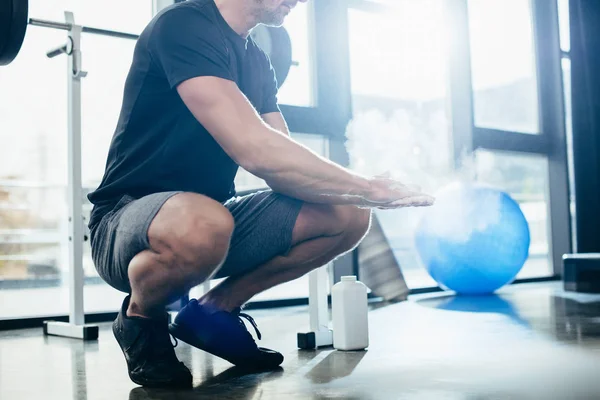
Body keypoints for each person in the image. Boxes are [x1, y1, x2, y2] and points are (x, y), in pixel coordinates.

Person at [87, 0, 434, 389]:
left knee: (348, 214)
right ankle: (141, 318)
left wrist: (361, 193)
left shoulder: (258, 62)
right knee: (204, 222)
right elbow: (253, 148)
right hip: (124, 221)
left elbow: (284, 166)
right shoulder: (183, 25)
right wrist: (368, 186)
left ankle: (215, 311)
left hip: (209, 225)